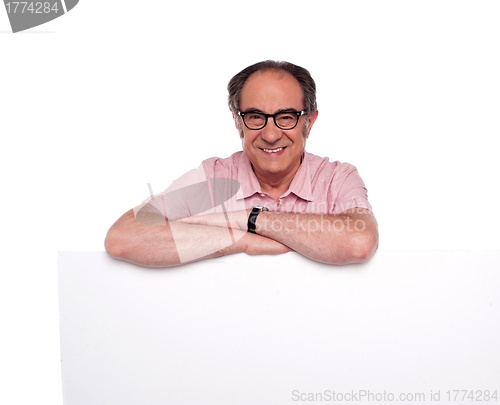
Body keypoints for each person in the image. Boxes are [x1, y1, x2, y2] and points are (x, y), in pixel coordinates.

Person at [105, 60, 378, 267]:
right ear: (237, 121)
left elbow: (359, 242)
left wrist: (251, 219)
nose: (271, 135)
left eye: (286, 117)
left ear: (310, 121)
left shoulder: (336, 179)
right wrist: (240, 240)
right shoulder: (213, 180)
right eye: (256, 117)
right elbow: (124, 238)